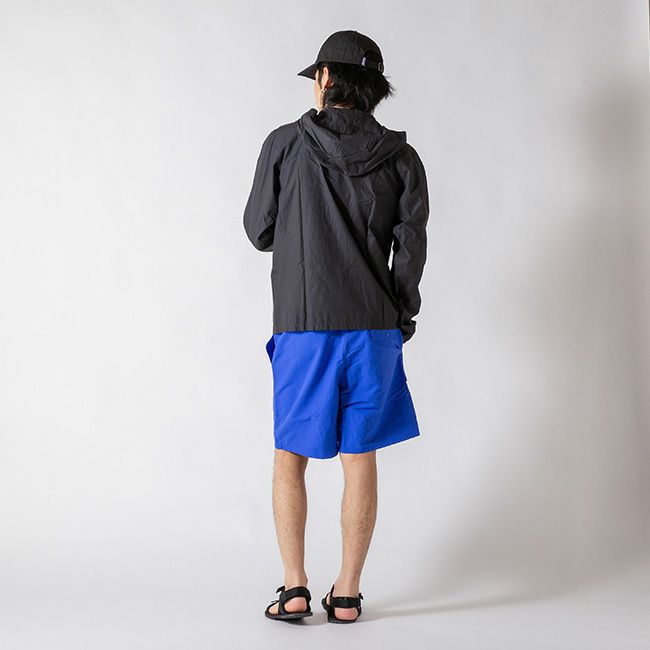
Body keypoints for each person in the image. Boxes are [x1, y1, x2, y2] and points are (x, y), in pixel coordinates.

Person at [243, 30, 430, 624]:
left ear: (325, 79)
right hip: (374, 327)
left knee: (290, 456)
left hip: (304, 324)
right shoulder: (402, 158)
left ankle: (294, 587)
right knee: (360, 457)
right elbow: (411, 250)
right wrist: (400, 315)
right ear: (374, 88)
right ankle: (346, 594)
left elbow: (258, 230)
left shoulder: (285, 143)